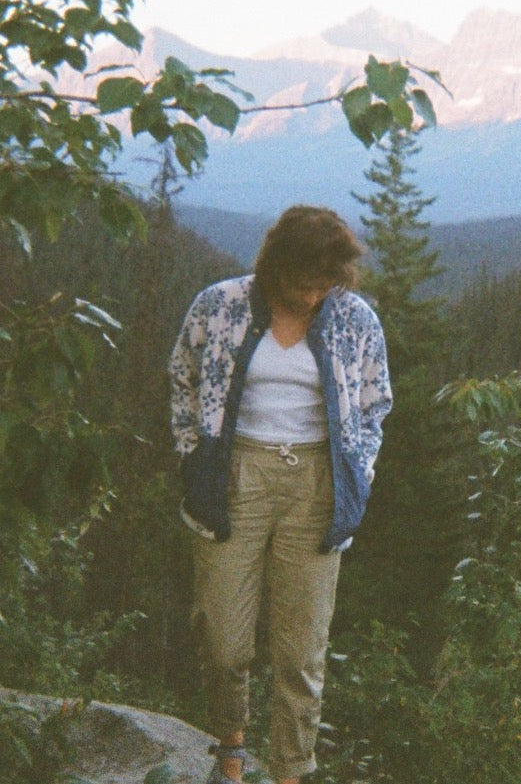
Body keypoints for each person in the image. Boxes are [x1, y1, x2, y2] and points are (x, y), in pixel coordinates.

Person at [168, 205, 392, 784]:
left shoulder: (355, 318)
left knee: (301, 651)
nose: (314, 295)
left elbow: (374, 403)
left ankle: (291, 771)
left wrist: (359, 472)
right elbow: (183, 376)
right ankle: (231, 748)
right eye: (302, 283)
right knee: (222, 636)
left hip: (318, 483)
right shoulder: (219, 305)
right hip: (234, 474)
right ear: (275, 268)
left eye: (325, 283)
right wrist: (193, 455)